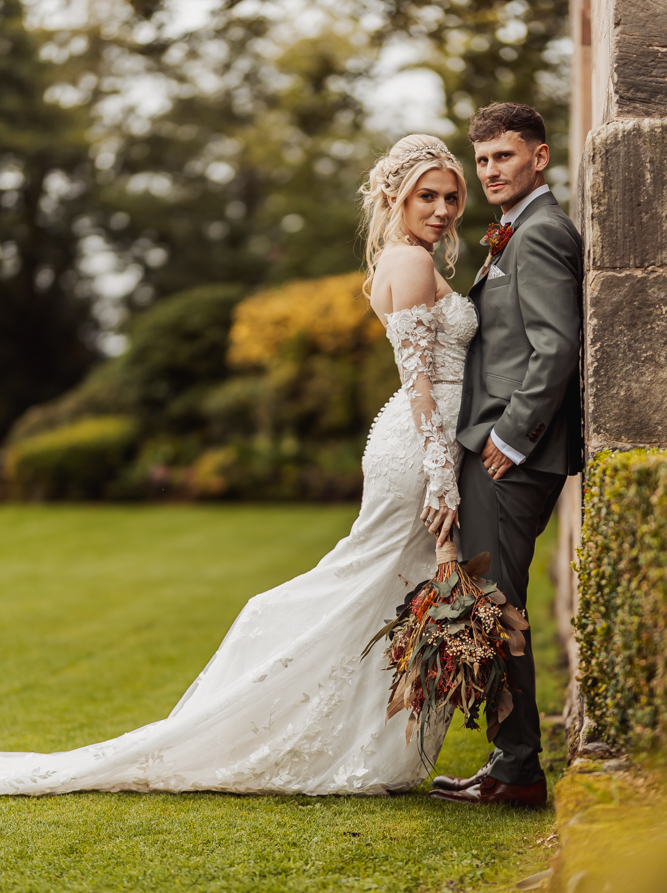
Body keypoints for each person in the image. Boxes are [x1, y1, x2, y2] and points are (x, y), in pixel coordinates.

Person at [0, 135, 478, 797]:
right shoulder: (410, 265)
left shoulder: (409, 262)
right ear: (394, 198)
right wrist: (443, 474)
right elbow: (419, 381)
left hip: (421, 439)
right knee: (372, 581)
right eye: (427, 195)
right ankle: (283, 679)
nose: (442, 208)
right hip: (419, 445)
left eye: (451, 196)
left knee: (390, 589)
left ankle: (372, 742)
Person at [430, 103, 583, 809]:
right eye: (483, 160)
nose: (492, 171)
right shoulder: (510, 232)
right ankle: (507, 761)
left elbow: (556, 346)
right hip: (492, 446)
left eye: (505, 157)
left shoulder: (543, 232)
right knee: (491, 605)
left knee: (497, 608)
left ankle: (518, 770)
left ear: (539, 157)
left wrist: (509, 437)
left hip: (510, 455)